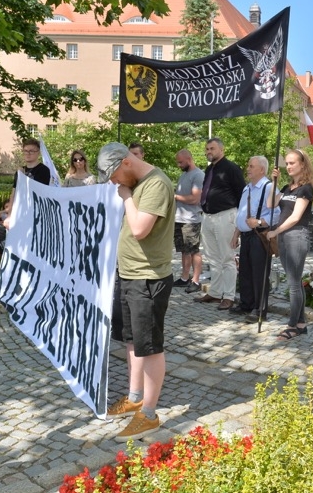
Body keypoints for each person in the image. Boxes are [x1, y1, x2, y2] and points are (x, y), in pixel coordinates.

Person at [96, 142, 176, 441]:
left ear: (126, 163)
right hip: (130, 275)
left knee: (150, 345)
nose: (114, 182)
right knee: (132, 341)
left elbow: (141, 228)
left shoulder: (155, 183)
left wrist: (127, 197)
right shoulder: (138, 182)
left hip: (148, 278)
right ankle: (135, 396)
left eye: (114, 175)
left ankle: (150, 414)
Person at [266, 149, 313, 338]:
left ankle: (292, 325)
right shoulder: (288, 188)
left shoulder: (306, 188)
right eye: (287, 163)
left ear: (302, 164)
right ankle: (301, 324)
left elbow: (296, 217)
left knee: (294, 284)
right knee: (294, 282)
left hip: (296, 236)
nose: (288, 166)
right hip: (284, 237)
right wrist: (274, 182)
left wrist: (275, 231)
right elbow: (270, 204)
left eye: (292, 163)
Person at [195, 138, 245, 308]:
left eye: (212, 148)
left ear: (221, 150)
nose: (209, 151)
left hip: (225, 216)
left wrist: (239, 221)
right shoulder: (209, 169)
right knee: (212, 257)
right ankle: (215, 292)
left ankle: (229, 296)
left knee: (227, 258)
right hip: (208, 217)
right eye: (207, 148)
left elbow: (242, 194)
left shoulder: (231, 168)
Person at [231, 156, 279, 318]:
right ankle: (246, 304)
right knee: (245, 271)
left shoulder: (269, 187)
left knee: (259, 273)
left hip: (260, 236)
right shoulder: (247, 188)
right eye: (248, 165)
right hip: (246, 235)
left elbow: (277, 214)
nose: (248, 169)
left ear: (262, 170)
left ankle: (260, 309)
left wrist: (259, 221)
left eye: (251, 166)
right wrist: (236, 234)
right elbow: (242, 213)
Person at [173, 149, 204, 293]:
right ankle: (185, 278)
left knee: (194, 251)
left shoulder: (198, 175)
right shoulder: (184, 175)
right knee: (184, 251)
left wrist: (175, 197)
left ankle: (196, 280)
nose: (179, 165)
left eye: (180, 162)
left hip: (191, 219)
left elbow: (195, 199)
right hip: (179, 218)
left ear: (188, 159)